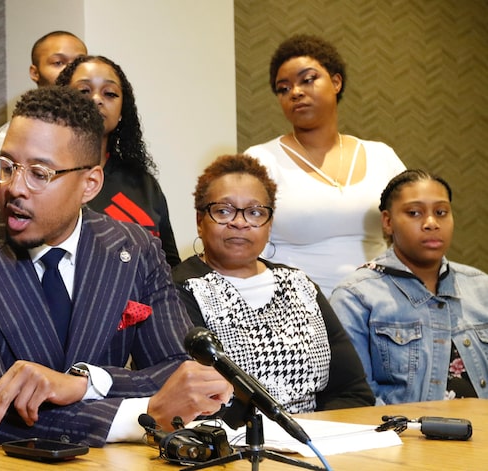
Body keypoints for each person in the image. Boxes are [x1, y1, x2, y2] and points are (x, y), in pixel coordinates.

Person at [0, 86, 232, 451]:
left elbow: (178, 371)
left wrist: (86, 383)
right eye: (7, 166)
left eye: (39, 173)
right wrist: (141, 415)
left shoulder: (135, 248)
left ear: (89, 184)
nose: (15, 187)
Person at [172, 154, 374, 413]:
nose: (240, 222)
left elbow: (352, 391)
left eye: (255, 212)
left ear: (269, 224)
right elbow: (197, 401)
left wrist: (316, 438)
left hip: (316, 441)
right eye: (224, 211)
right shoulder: (179, 289)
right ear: (200, 221)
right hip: (233, 445)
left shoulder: (300, 285)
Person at [243, 34, 405, 295]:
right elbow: (244, 247)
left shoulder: (381, 156)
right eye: (283, 88)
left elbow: (411, 231)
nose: (295, 92)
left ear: (336, 81)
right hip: (297, 312)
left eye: (308, 80)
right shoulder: (262, 160)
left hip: (379, 310)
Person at [330, 169, 488, 404]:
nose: (431, 223)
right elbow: (357, 396)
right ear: (387, 222)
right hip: (405, 435)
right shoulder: (356, 297)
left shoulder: (480, 286)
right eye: (414, 213)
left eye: (441, 212)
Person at [56, 55, 181, 266]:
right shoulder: (46, 176)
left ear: (122, 111)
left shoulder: (144, 185)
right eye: (84, 91)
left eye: (110, 93)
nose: (96, 99)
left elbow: (170, 265)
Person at [0, 31, 87, 205]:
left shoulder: (102, 133)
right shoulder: (10, 136)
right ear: (35, 72)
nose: (70, 72)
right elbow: (5, 207)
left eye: (78, 63)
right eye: (58, 63)